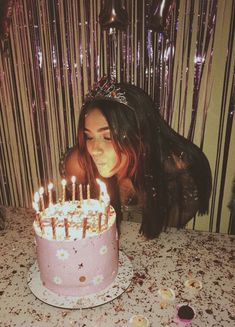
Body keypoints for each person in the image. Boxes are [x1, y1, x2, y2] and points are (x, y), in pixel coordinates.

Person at [61, 76, 212, 239]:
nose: (94, 150)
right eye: (89, 137)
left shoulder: (181, 173)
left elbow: (164, 238)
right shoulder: (79, 164)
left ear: (140, 135)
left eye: (108, 137)